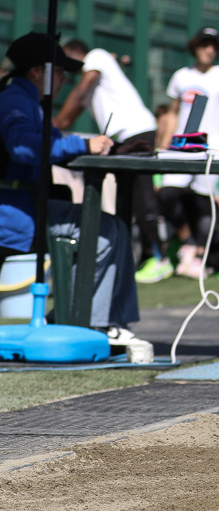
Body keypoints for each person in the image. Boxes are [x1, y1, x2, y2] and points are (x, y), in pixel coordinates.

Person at [0, 33, 143, 347]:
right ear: (36, 71)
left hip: (28, 206)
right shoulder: (15, 100)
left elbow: (57, 148)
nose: (65, 78)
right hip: (14, 215)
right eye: (61, 71)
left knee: (113, 226)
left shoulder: (31, 102)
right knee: (104, 230)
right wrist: (84, 144)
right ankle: (91, 324)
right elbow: (23, 147)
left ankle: (106, 322)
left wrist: (114, 149)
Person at [55, 39, 165, 281]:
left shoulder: (95, 57)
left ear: (76, 52)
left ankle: (159, 257)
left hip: (138, 132)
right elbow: (73, 111)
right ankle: (131, 256)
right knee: (125, 198)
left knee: (142, 195)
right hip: (122, 138)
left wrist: (54, 124)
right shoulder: (91, 74)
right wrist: (57, 125)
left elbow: (77, 99)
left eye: (65, 57)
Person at [158, 27, 219, 280]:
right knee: (167, 194)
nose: (209, 50)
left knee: (204, 201)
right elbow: (173, 113)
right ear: (194, 46)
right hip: (182, 147)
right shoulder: (180, 76)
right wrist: (164, 145)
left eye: (213, 46)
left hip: (211, 149)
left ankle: (202, 256)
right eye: (204, 44)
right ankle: (187, 244)